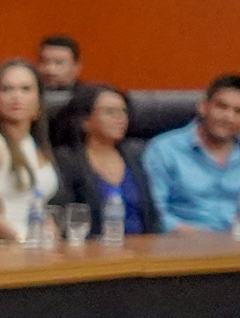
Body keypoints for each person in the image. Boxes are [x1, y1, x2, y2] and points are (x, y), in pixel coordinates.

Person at [143, 74, 240, 232]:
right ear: (203, 107)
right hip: (184, 242)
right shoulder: (164, 149)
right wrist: (195, 236)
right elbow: (154, 214)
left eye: (239, 111)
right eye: (221, 107)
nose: (228, 117)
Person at [0, 58, 61, 240]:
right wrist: (22, 240)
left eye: (25, 89)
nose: (16, 96)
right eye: (7, 89)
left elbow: (35, 202)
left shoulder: (33, 144)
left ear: (39, 101)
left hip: (37, 245)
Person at [51, 82, 161, 235]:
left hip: (142, 245)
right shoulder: (66, 160)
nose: (120, 118)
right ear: (85, 121)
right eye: (110, 112)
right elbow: (65, 214)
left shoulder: (136, 155)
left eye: (124, 112)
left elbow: (152, 215)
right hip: (91, 246)